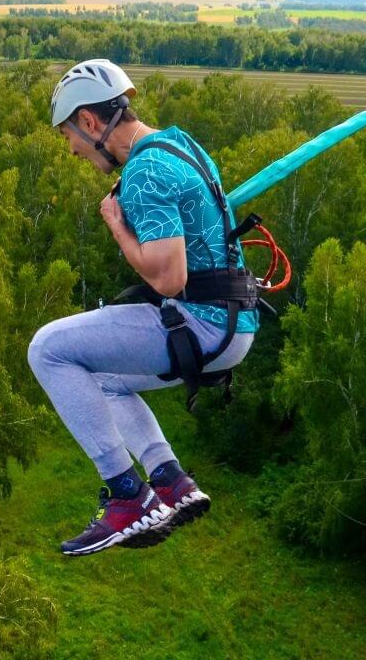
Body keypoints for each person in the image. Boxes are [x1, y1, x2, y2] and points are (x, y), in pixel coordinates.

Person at [27, 58, 259, 556]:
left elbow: (169, 278)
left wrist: (117, 226)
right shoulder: (179, 144)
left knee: (48, 350)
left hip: (201, 323)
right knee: (104, 380)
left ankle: (128, 497)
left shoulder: (144, 171)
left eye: (69, 134)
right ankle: (170, 481)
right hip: (234, 325)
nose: (71, 149)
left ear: (90, 122)